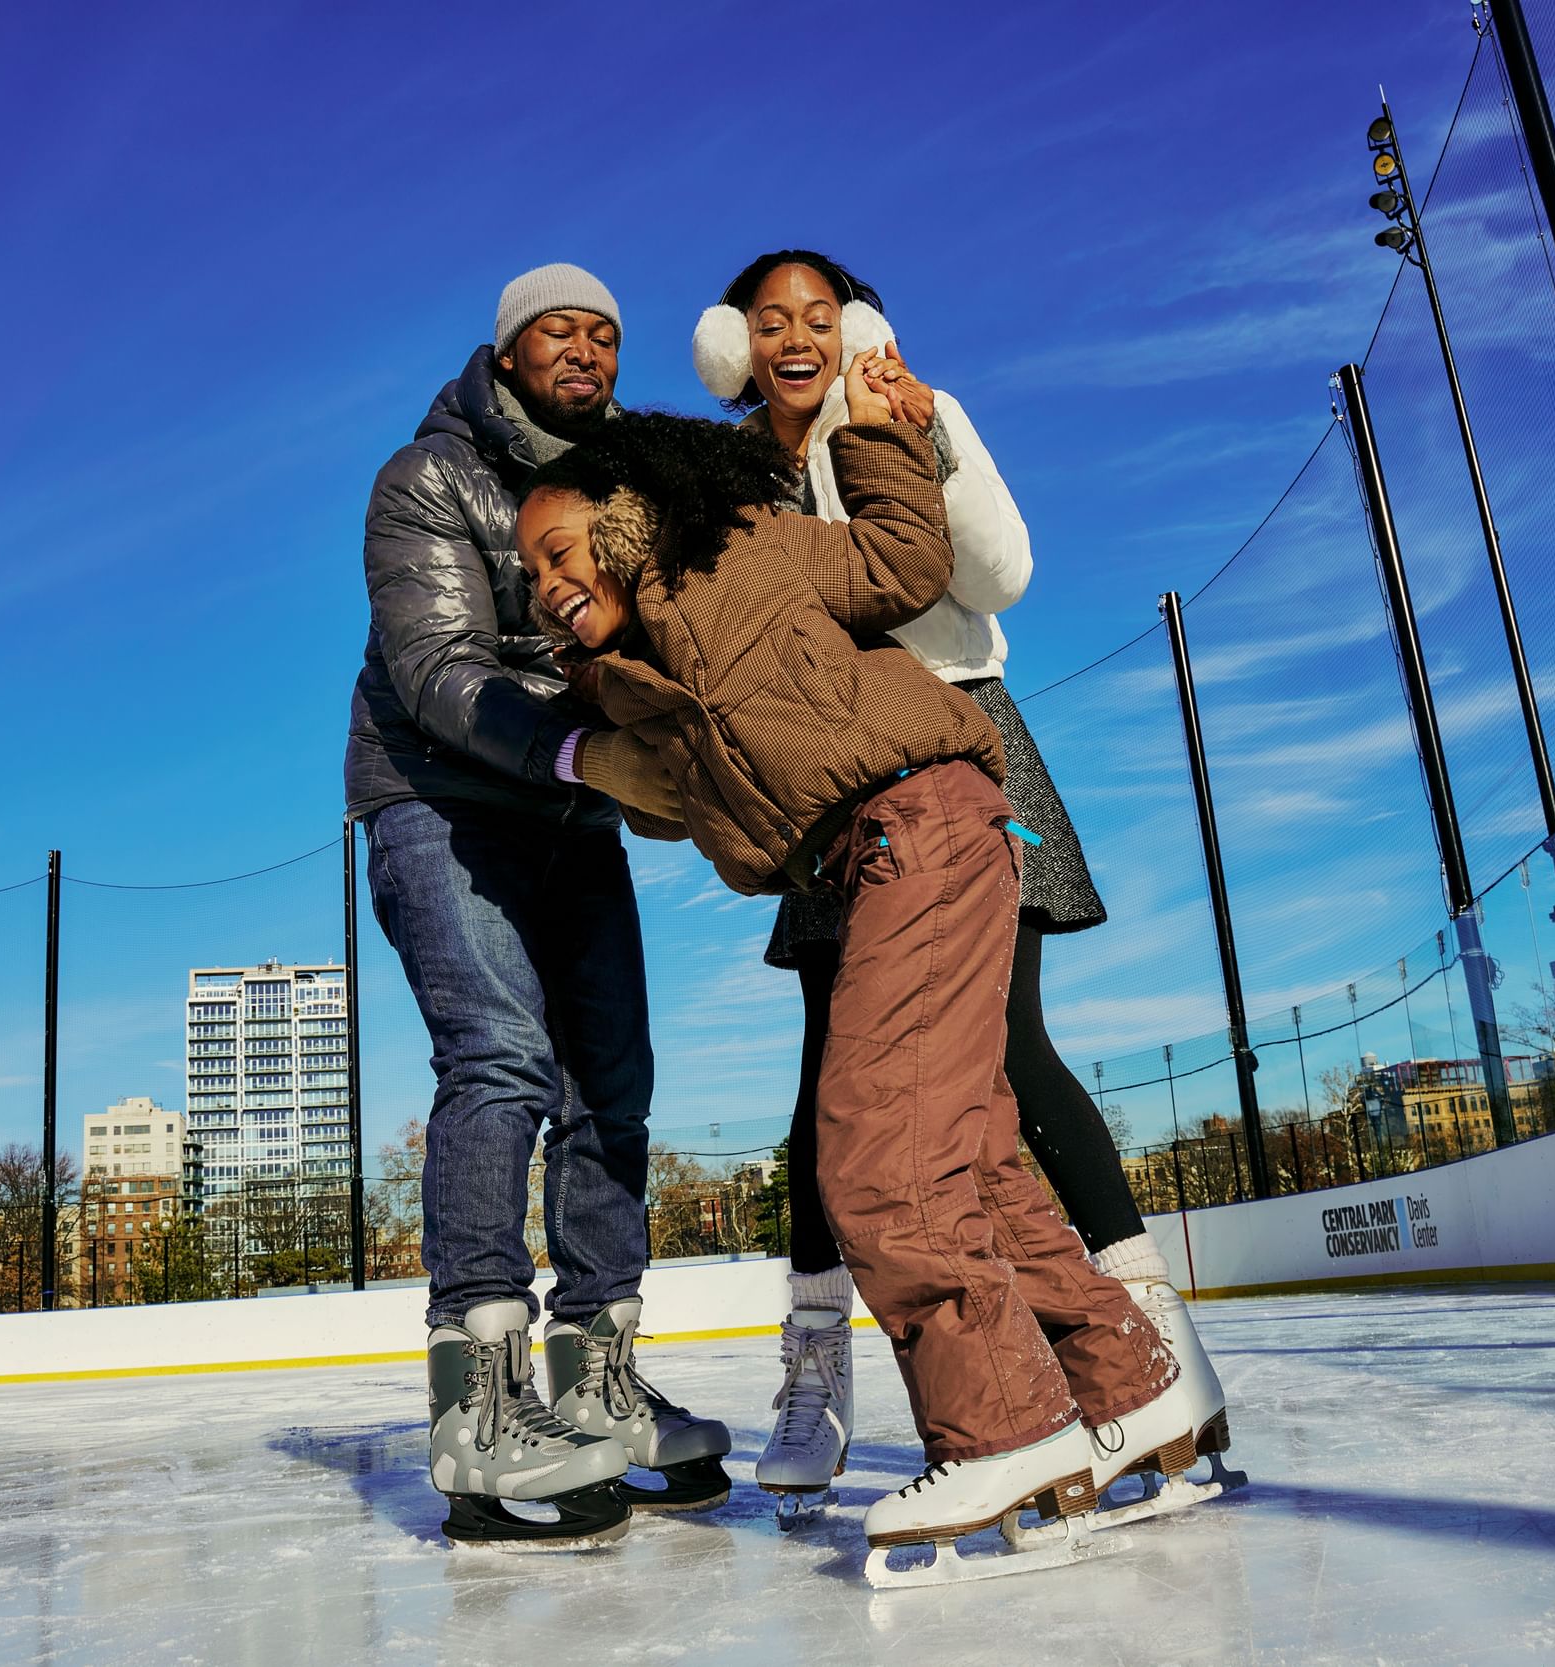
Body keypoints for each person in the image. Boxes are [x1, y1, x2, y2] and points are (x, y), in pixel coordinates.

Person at [514, 382, 1193, 1586]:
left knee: (875, 1146)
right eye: (529, 574)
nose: (547, 581)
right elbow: (696, 811)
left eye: (558, 550)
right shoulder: (637, 674)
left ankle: (1007, 1430)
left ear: (621, 519)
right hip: (879, 851)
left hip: (920, 820)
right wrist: (594, 722)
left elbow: (900, 559)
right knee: (973, 1147)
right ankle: (1129, 1390)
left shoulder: (736, 544)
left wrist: (882, 434)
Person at [688, 250, 1237, 1519]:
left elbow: (998, 578)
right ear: (733, 346)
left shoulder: (905, 408)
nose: (795, 337)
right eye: (769, 321)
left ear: (854, 327)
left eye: (817, 316)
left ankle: (1151, 1350)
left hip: (965, 735)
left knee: (1003, 1050)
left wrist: (929, 437)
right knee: (836, 1067)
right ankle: (815, 1371)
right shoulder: (726, 480)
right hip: (835, 778)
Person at [346, 264, 729, 1551]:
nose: (589, 347)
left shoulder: (624, 483)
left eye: (608, 333)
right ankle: (480, 1403)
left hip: (573, 809)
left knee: (612, 1081)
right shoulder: (425, 481)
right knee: (501, 1056)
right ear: (504, 354)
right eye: (559, 328)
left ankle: (599, 1381)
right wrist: (581, 754)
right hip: (440, 796)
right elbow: (441, 668)